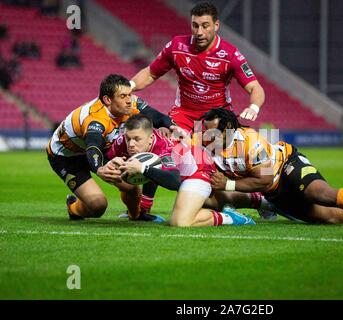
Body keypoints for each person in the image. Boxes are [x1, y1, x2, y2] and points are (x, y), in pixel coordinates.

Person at [199, 108, 343, 228]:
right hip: (274, 192)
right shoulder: (209, 143)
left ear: (228, 127)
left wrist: (227, 184)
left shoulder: (251, 140)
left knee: (321, 194)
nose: (208, 136)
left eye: (213, 131)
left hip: (287, 166)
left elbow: (263, 180)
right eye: (205, 131)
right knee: (328, 218)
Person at [46, 74, 176, 220]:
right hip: (67, 157)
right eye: (123, 96)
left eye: (130, 95)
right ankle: (74, 208)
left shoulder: (129, 104)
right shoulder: (96, 118)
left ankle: (136, 215)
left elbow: (155, 116)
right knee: (98, 206)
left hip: (99, 148)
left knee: (132, 187)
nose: (129, 100)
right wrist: (100, 169)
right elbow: (93, 145)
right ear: (108, 100)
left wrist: (173, 126)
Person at [130, 1, 265, 133]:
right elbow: (150, 74)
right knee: (173, 148)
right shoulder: (177, 46)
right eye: (195, 26)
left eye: (205, 26)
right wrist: (129, 86)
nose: (199, 32)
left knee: (221, 151)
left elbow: (255, 88)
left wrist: (253, 108)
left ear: (216, 25)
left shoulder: (230, 54)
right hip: (183, 114)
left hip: (218, 117)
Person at [113, 114, 257, 227]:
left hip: (198, 170)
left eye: (137, 139)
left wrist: (142, 168)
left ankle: (230, 217)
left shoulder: (165, 147)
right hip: (186, 169)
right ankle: (259, 201)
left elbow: (174, 181)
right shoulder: (125, 140)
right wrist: (106, 166)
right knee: (212, 203)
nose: (131, 144)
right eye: (128, 139)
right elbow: (104, 155)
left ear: (150, 139)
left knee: (180, 221)